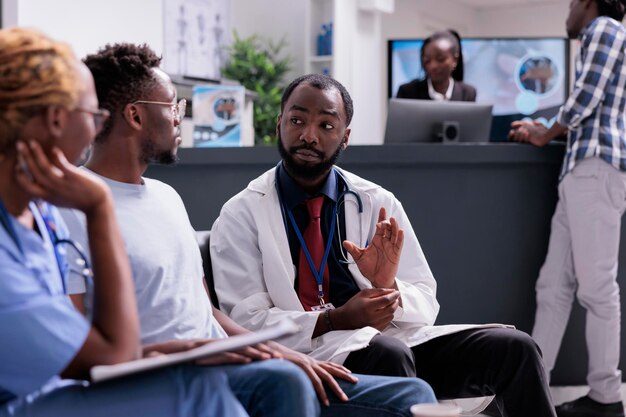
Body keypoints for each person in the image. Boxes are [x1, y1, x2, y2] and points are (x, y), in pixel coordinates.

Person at [62, 42, 438, 417]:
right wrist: (201, 352)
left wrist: (281, 352)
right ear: (135, 115)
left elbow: (209, 313)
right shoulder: (70, 207)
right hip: (168, 374)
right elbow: (75, 343)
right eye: (174, 105)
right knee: (289, 382)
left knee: (411, 394)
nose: (180, 117)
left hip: (223, 362)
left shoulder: (167, 198)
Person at [210, 72, 556, 417]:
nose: (308, 136)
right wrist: (336, 320)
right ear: (279, 124)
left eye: (326, 127)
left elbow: (425, 296)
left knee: (515, 349)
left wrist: (387, 286)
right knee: (388, 353)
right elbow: (245, 322)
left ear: (345, 138)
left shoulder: (376, 202)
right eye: (297, 120)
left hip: (391, 341)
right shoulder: (242, 213)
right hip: (311, 353)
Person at [0, 27, 249, 417]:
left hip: (67, 387)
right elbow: (110, 356)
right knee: (195, 389)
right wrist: (99, 209)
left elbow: (87, 350)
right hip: (32, 402)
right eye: (92, 113)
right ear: (54, 120)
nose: (99, 124)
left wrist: (167, 351)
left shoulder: (39, 214)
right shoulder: (61, 216)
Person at [509, 1, 626, 416]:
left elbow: (584, 99)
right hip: (581, 172)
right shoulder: (603, 34)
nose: (569, 11)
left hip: (595, 170)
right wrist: (547, 131)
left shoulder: (605, 28)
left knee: (598, 289)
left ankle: (607, 397)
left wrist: (544, 132)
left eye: (573, 2)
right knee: (552, 288)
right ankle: (532, 388)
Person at [396, 30, 476, 101]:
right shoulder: (407, 92)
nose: (433, 66)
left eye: (440, 59)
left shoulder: (468, 93)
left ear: (455, 60)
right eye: (427, 60)